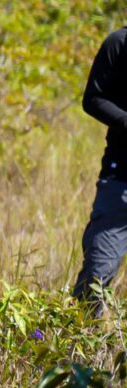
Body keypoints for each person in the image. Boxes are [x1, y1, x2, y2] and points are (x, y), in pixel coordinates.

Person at [72, 25, 127, 313]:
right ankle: (80, 337)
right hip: (121, 180)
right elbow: (93, 98)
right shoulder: (119, 43)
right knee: (96, 276)